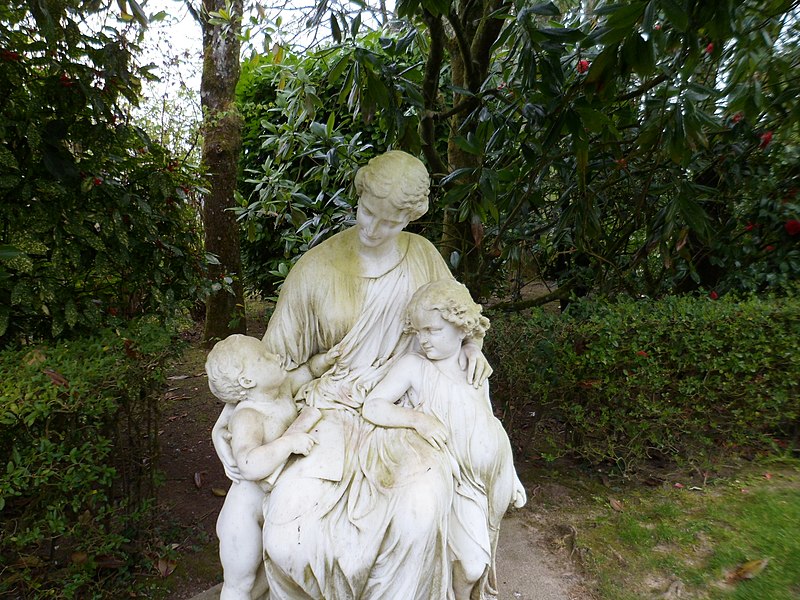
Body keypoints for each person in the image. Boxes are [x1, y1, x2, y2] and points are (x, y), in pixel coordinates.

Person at [212, 150, 492, 600]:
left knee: (418, 517)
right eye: (367, 211)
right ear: (358, 195)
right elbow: (270, 366)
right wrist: (232, 416)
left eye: (389, 222)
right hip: (325, 417)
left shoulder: (422, 258)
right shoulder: (314, 270)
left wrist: (473, 347)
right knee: (289, 540)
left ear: (409, 220)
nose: (372, 227)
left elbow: (458, 318)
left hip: (404, 408)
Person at [362, 279, 527, 600]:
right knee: (471, 565)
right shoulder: (414, 367)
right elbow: (373, 405)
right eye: (419, 331)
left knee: (480, 559)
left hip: (489, 478)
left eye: (433, 331)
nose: (423, 340)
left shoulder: (473, 364)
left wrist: (512, 476)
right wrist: (416, 419)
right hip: (454, 482)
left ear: (461, 327)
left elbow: (488, 421)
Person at [206, 334, 329, 600]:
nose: (275, 356)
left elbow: (308, 370)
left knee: (268, 575)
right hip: (245, 516)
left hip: (275, 504)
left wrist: (328, 359)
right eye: (263, 358)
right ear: (248, 381)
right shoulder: (248, 416)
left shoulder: (280, 391)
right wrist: (288, 443)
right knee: (240, 584)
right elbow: (249, 464)